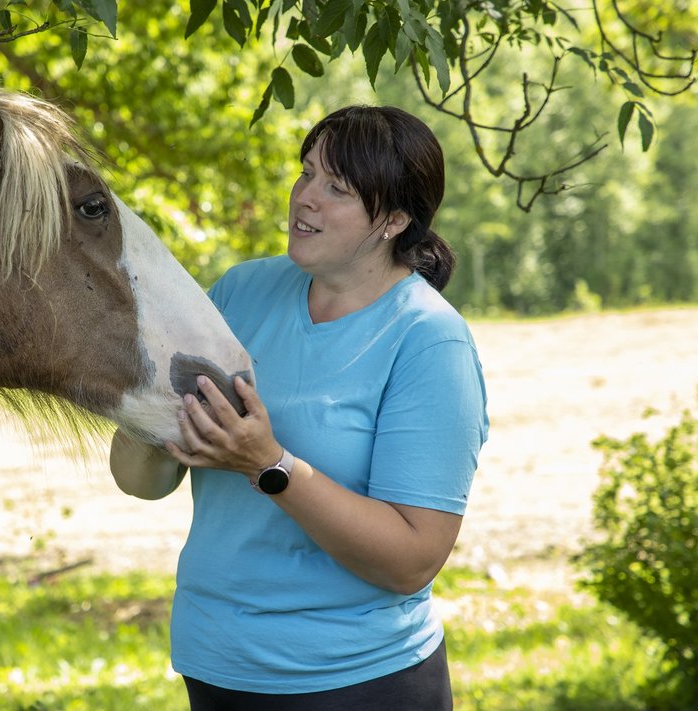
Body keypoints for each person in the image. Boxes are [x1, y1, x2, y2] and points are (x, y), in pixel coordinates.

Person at [109, 104, 489, 710]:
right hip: (215, 665)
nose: (305, 198)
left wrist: (269, 464)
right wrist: (148, 414)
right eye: (305, 172)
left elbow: (412, 562)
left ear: (393, 220)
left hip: (358, 680)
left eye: (335, 188)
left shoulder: (426, 340)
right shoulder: (240, 292)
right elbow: (140, 481)